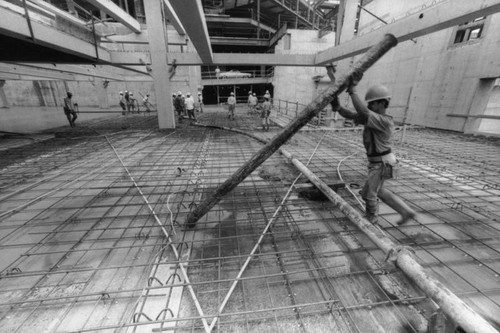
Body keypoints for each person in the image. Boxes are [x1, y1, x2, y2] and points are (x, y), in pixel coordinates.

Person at [331, 76, 417, 226]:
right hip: (379, 163)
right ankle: (406, 212)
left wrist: (352, 91)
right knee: (374, 192)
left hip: (382, 163)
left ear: (382, 103)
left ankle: (371, 218)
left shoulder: (384, 120)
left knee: (370, 194)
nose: (369, 105)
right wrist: (337, 107)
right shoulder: (373, 118)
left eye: (372, 103)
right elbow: (352, 114)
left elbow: (363, 112)